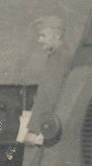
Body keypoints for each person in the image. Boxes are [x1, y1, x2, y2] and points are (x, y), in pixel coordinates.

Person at [22, 16, 73, 147]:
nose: (39, 40)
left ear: (57, 35)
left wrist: (34, 130)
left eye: (43, 36)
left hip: (52, 128)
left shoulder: (59, 58)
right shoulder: (64, 54)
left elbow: (49, 95)